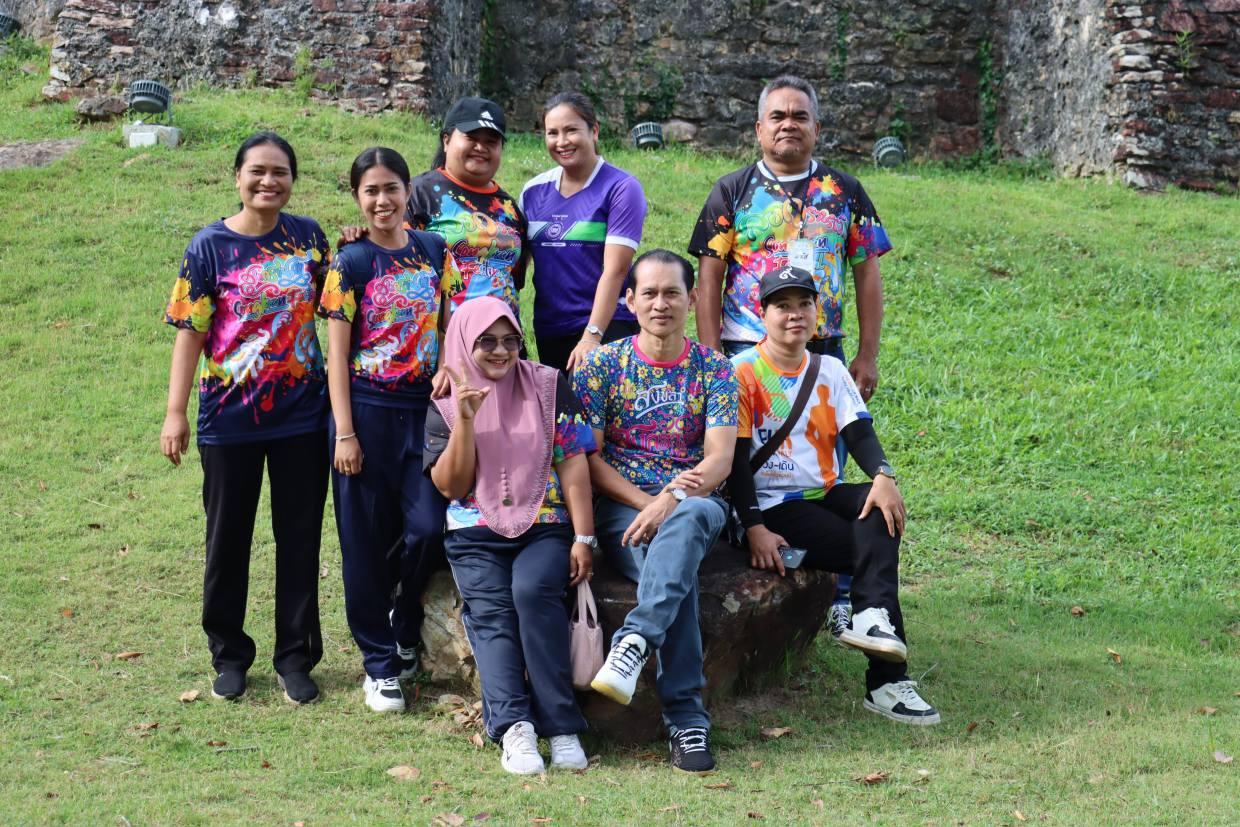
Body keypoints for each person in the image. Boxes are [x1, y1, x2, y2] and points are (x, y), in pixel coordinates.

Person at [688, 74, 894, 634]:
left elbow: (867, 273)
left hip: (822, 350)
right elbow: (709, 277)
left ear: (816, 127)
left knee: (826, 471)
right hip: (746, 350)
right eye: (777, 116)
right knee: (743, 461)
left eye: (799, 116)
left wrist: (867, 353)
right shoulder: (732, 191)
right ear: (759, 128)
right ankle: (748, 536)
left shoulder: (845, 191)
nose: (788, 125)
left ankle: (844, 594)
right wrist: (711, 357)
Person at [160, 132, 330, 705]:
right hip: (228, 418)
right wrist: (175, 413)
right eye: (257, 171)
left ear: (292, 180)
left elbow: (338, 303)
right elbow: (191, 332)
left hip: (302, 417)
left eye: (280, 172)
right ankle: (229, 655)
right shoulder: (208, 246)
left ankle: (295, 656)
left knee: (300, 539)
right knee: (226, 539)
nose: (268, 181)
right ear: (237, 177)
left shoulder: (309, 238)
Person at [727, 266, 940, 725]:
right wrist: (754, 526)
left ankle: (871, 617)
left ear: (817, 313)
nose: (795, 314)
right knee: (872, 549)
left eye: (804, 304)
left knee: (880, 509)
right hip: (774, 503)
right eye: (782, 306)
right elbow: (736, 461)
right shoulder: (741, 371)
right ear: (762, 315)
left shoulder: (830, 369)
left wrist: (883, 475)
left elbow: (859, 431)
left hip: (824, 490)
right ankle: (886, 681)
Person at [573, 250, 737, 774]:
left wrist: (671, 499)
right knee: (675, 574)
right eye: (649, 293)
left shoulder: (715, 368)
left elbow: (720, 459)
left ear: (693, 298)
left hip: (696, 503)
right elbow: (588, 458)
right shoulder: (602, 366)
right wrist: (648, 504)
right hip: (625, 508)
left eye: (672, 293)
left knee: (689, 521)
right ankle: (687, 720)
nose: (660, 304)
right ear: (630, 300)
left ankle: (635, 639)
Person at [425, 297, 595, 775]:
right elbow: (451, 486)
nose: (501, 352)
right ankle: (514, 727)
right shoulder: (444, 400)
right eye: (487, 342)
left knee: (534, 591)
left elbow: (573, 463)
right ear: (465, 343)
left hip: (544, 527)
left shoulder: (549, 385)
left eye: (510, 341)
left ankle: (561, 727)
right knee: (492, 611)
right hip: (474, 531)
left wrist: (584, 537)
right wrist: (464, 419)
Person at [317, 147, 458, 713]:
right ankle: (379, 665)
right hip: (366, 411)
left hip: (423, 413)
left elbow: (448, 322)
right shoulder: (349, 263)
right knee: (363, 541)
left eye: (391, 188)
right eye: (370, 191)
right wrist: (344, 433)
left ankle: (402, 628)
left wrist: (448, 364)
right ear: (357, 197)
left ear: (407, 192)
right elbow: (336, 355)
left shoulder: (434, 249)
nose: (382, 201)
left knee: (426, 526)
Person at [520, 92, 647, 372]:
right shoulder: (532, 192)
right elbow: (518, 266)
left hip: (607, 326)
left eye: (571, 130)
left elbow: (616, 270)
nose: (562, 141)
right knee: (560, 402)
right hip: (550, 328)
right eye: (552, 133)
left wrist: (592, 335)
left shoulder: (621, 188)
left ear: (594, 131)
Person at [407, 96, 528, 320]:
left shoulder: (510, 208)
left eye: (491, 141)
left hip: (502, 336)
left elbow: (515, 279)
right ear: (446, 141)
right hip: (442, 334)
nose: (480, 147)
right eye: (471, 138)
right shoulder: (417, 193)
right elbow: (391, 261)